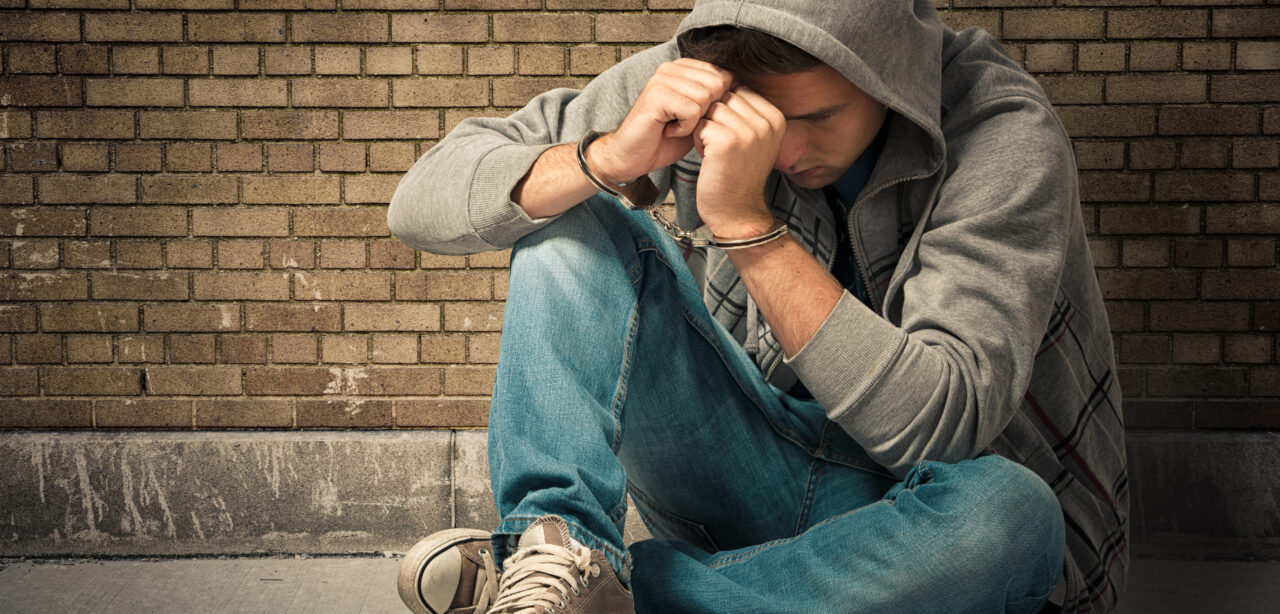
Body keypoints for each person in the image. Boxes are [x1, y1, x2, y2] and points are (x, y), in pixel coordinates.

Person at [387, 1, 1128, 612]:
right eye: (756, 118)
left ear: (890, 80)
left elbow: (934, 429)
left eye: (818, 116)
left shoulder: (1001, 131)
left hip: (937, 536)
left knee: (1012, 514)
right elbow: (417, 203)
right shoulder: (693, 78)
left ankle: (605, 599)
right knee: (574, 216)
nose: (781, 148)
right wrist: (605, 158)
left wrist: (747, 225)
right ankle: (556, 549)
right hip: (759, 476)